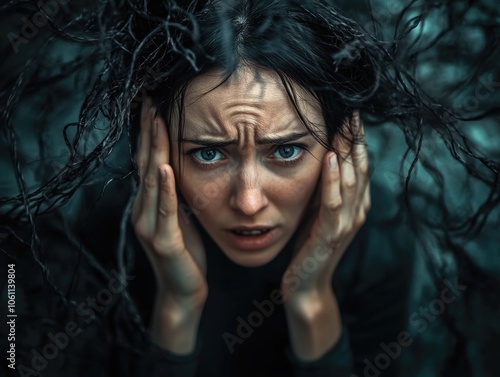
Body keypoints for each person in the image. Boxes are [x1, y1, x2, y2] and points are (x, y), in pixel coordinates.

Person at [1, 0, 499, 376]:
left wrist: (312, 303)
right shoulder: (100, 232)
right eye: (208, 152)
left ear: (339, 146)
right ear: (158, 147)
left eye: (285, 151)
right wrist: (176, 304)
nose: (248, 202)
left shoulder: (380, 240)